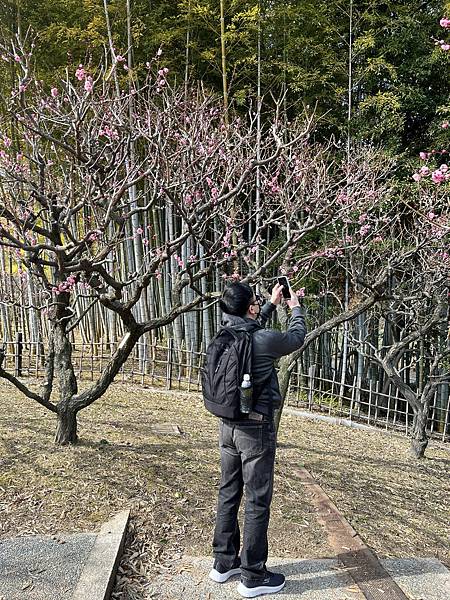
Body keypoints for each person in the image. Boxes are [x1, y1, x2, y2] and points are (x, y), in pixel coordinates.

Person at [209, 281, 307, 598]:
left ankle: (224, 563)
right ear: (250, 307)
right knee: (257, 499)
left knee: (228, 491)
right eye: (256, 302)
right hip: (256, 430)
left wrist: (268, 305)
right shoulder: (262, 340)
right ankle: (253, 576)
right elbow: (295, 338)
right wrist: (294, 309)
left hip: (227, 425)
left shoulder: (225, 333)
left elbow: (250, 329)